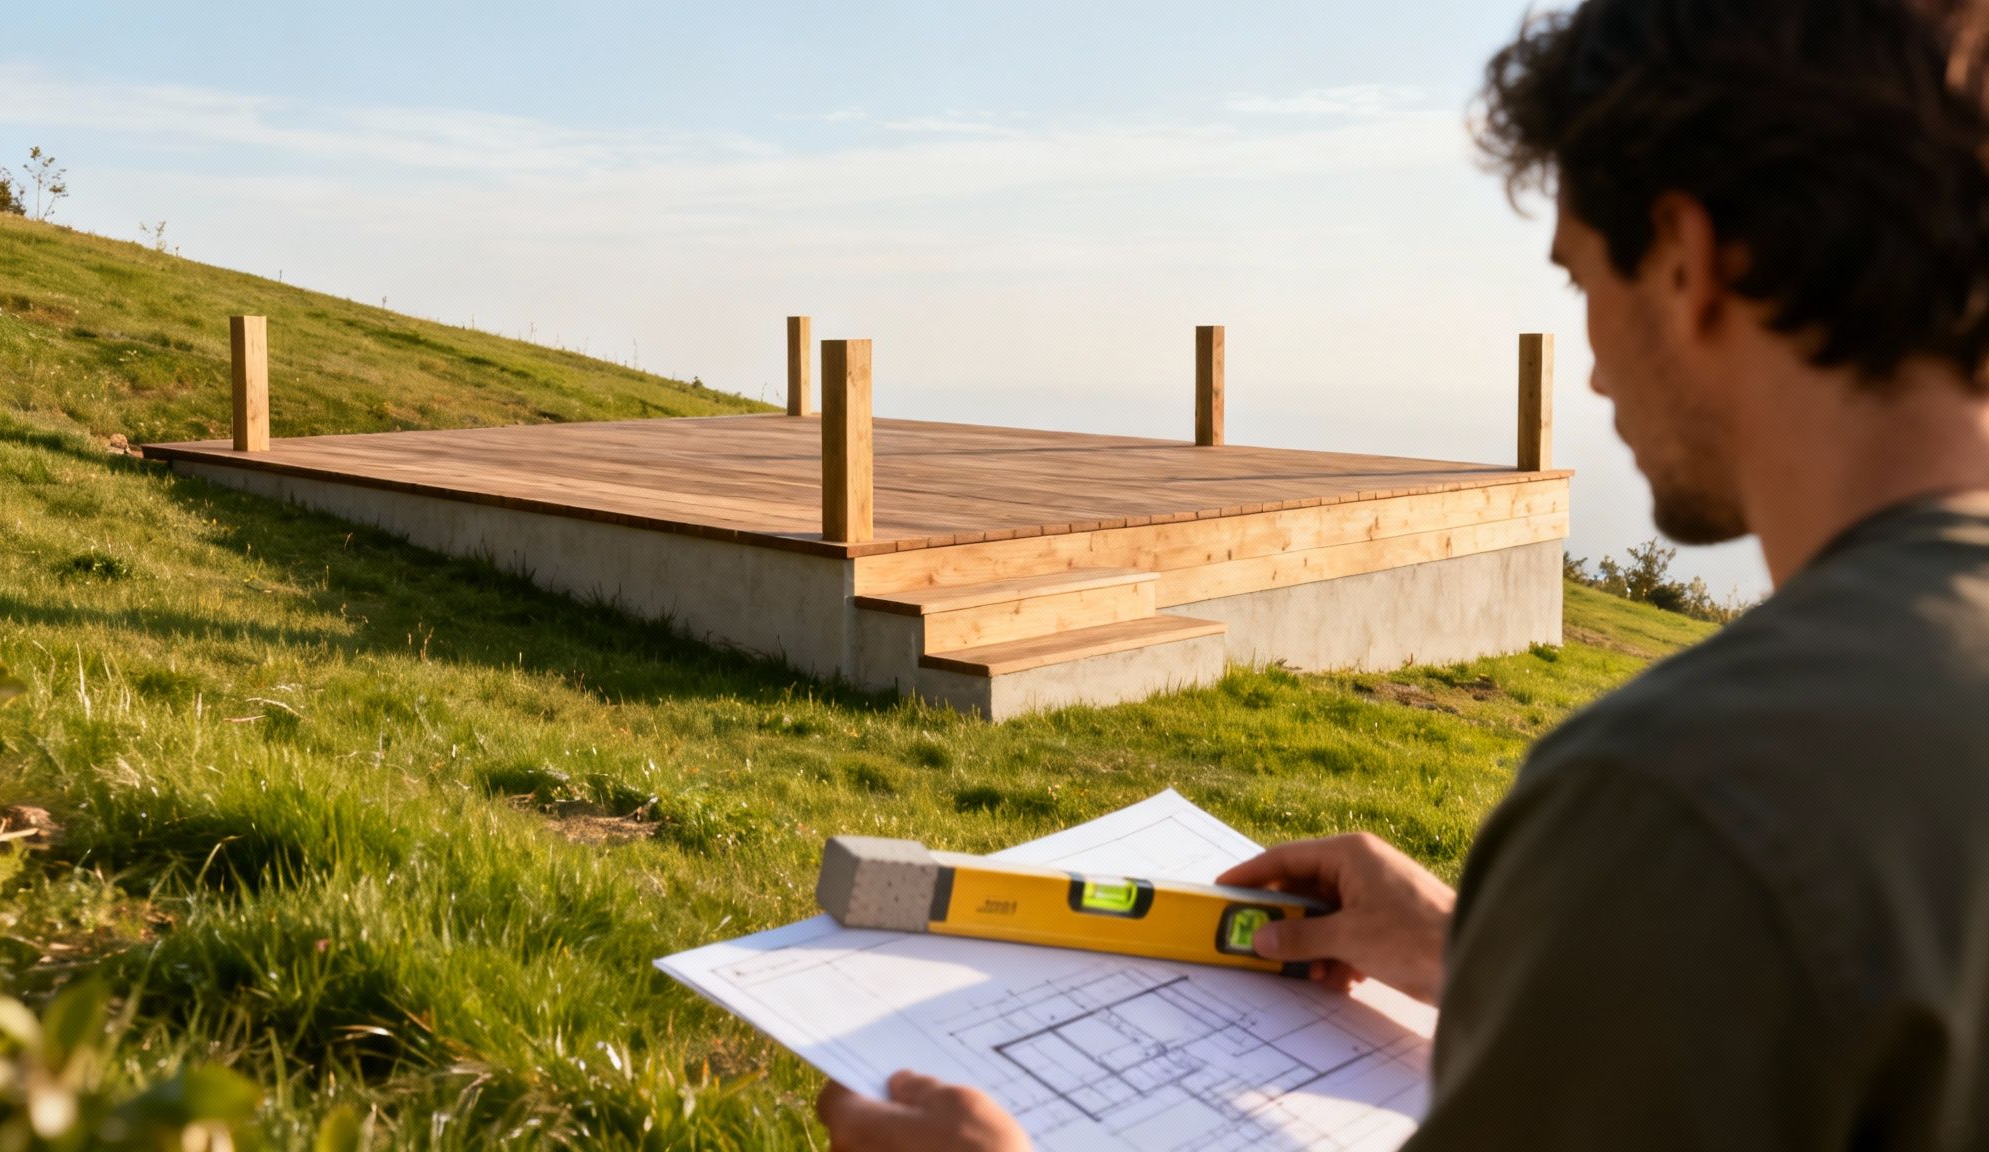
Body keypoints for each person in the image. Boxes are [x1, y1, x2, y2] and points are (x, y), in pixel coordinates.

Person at [816, 0, 1989, 1147]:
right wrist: (1466, 947)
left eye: (1582, 281)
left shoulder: (1681, 799)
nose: (1589, 374)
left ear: (1685, 263)